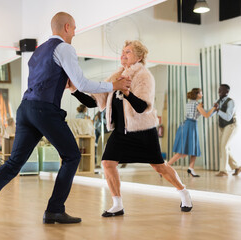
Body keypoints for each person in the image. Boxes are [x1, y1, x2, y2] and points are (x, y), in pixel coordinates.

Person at [0, 12, 130, 225]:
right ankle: (55, 210)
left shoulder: (38, 51)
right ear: (68, 27)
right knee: (72, 155)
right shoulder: (65, 48)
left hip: (25, 109)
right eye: (75, 28)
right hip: (44, 110)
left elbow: (52, 79)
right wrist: (114, 85)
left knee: (14, 163)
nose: (75, 33)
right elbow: (82, 83)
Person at [68, 40, 193, 217]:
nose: (123, 55)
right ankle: (117, 204)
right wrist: (74, 90)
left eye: (128, 52)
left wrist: (126, 92)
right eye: (122, 52)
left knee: (159, 167)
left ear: (140, 56)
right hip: (120, 131)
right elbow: (93, 101)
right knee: (107, 163)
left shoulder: (144, 76)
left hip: (143, 131)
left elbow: (142, 107)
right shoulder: (116, 76)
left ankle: (183, 192)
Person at [167, 88, 217, 177]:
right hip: (191, 126)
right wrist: (214, 108)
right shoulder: (197, 104)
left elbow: (205, 113)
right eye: (201, 93)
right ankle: (166, 166)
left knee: (193, 149)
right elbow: (206, 115)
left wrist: (213, 109)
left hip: (187, 125)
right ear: (197, 94)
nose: (202, 94)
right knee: (184, 151)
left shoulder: (190, 103)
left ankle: (191, 168)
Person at [213, 84, 240, 177]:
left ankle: (223, 171)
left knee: (223, 147)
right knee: (225, 148)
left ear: (227, 92)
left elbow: (228, 117)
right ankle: (237, 167)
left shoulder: (230, 102)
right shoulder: (219, 101)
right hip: (223, 126)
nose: (219, 92)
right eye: (219, 90)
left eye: (221, 90)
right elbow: (213, 112)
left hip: (231, 125)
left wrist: (218, 110)